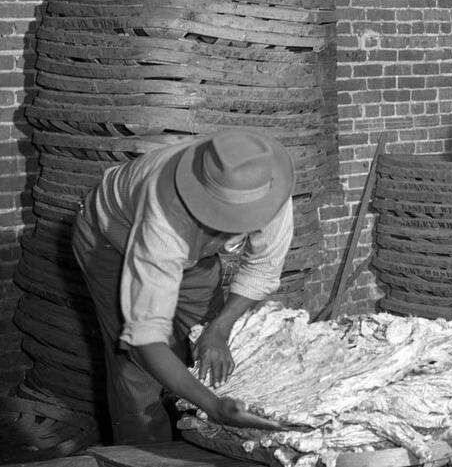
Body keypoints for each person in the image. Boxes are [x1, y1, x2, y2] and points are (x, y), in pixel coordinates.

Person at [72, 129, 294, 443]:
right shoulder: (166, 214)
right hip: (111, 242)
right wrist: (213, 406)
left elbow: (263, 268)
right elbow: (145, 335)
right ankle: (148, 453)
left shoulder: (262, 183)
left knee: (210, 341)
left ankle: (205, 439)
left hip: (194, 251)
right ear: (205, 204)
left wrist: (219, 330)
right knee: (136, 366)